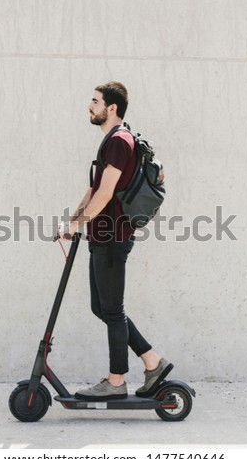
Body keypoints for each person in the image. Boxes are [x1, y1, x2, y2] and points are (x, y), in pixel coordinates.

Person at [59, 81, 173, 400]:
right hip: (102, 235)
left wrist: (78, 223)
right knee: (104, 307)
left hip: (112, 236)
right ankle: (153, 362)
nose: (89, 106)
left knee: (112, 310)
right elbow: (94, 190)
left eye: (94, 101)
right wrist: (74, 220)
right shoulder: (111, 141)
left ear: (112, 108)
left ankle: (116, 381)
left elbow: (107, 192)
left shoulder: (120, 141)